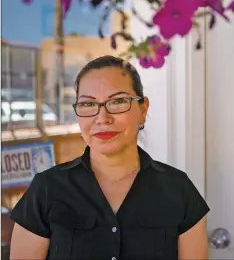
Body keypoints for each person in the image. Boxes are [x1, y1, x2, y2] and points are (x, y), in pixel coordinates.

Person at [9, 56, 210, 260]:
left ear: (142, 109)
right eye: (88, 104)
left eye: (118, 101)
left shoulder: (178, 189)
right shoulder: (46, 189)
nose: (102, 118)